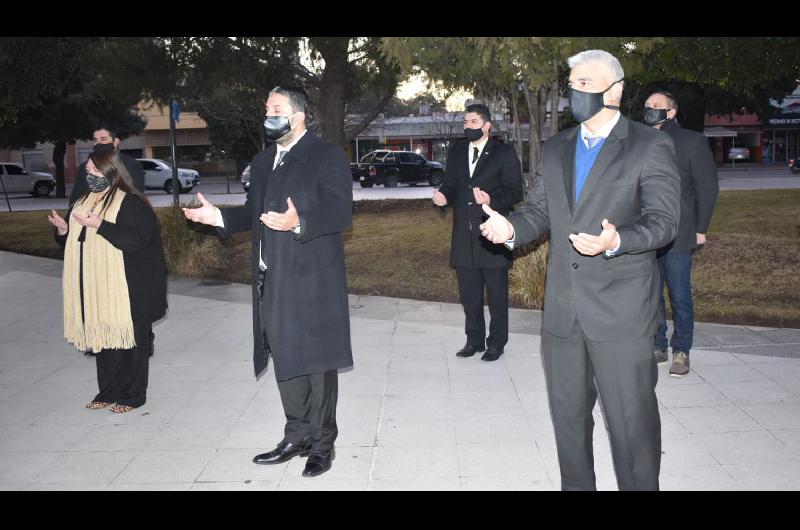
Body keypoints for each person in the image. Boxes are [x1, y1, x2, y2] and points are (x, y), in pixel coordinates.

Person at [479, 49, 680, 490]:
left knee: (632, 428)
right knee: (569, 426)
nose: (577, 92)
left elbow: (664, 222)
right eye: (573, 84)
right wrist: (510, 228)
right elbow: (539, 212)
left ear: (616, 90)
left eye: (587, 84)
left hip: (622, 314)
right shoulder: (556, 148)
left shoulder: (651, 145)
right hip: (563, 314)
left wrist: (618, 240)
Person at [182, 86, 353, 478]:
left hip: (313, 279)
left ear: (298, 116)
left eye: (276, 109)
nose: (268, 115)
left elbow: (341, 214)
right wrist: (218, 219)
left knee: (316, 362)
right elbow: (252, 213)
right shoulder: (262, 163)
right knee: (285, 357)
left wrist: (300, 222)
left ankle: (322, 444)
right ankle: (297, 435)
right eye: (266, 109)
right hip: (272, 278)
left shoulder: (325, 156)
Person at [48, 149, 167, 413]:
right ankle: (108, 391)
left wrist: (100, 225)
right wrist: (63, 229)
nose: (89, 175)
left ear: (112, 172)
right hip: (96, 287)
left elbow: (137, 241)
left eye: (94, 170)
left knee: (131, 343)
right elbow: (73, 242)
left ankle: (133, 395)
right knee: (104, 342)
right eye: (87, 170)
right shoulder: (83, 201)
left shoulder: (132, 203)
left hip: (130, 288)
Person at [433, 103, 523, 361]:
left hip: (492, 235)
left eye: (473, 122)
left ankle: (496, 343)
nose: (467, 127)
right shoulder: (457, 151)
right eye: (465, 122)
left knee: (496, 296)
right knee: (469, 296)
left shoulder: (503, 153)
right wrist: (443, 196)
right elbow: (450, 183)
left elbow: (516, 192)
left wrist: (490, 199)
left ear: (487, 126)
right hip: (463, 234)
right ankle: (474, 340)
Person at [643, 91, 719, 377]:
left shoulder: (692, 141)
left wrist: (701, 228)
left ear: (671, 113)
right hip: (647, 235)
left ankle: (682, 350)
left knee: (680, 295)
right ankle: (658, 344)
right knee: (652, 295)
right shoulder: (639, 141)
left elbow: (707, 187)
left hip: (680, 234)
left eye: (657, 106)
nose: (650, 109)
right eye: (647, 105)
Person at [71, 127, 151, 359]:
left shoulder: (130, 166)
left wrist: (104, 220)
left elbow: (133, 198)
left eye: (104, 139)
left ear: (116, 141)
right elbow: (76, 197)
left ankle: (140, 339)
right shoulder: (85, 167)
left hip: (118, 237)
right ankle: (101, 337)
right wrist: (69, 224)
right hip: (91, 237)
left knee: (129, 301)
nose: (99, 144)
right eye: (95, 140)